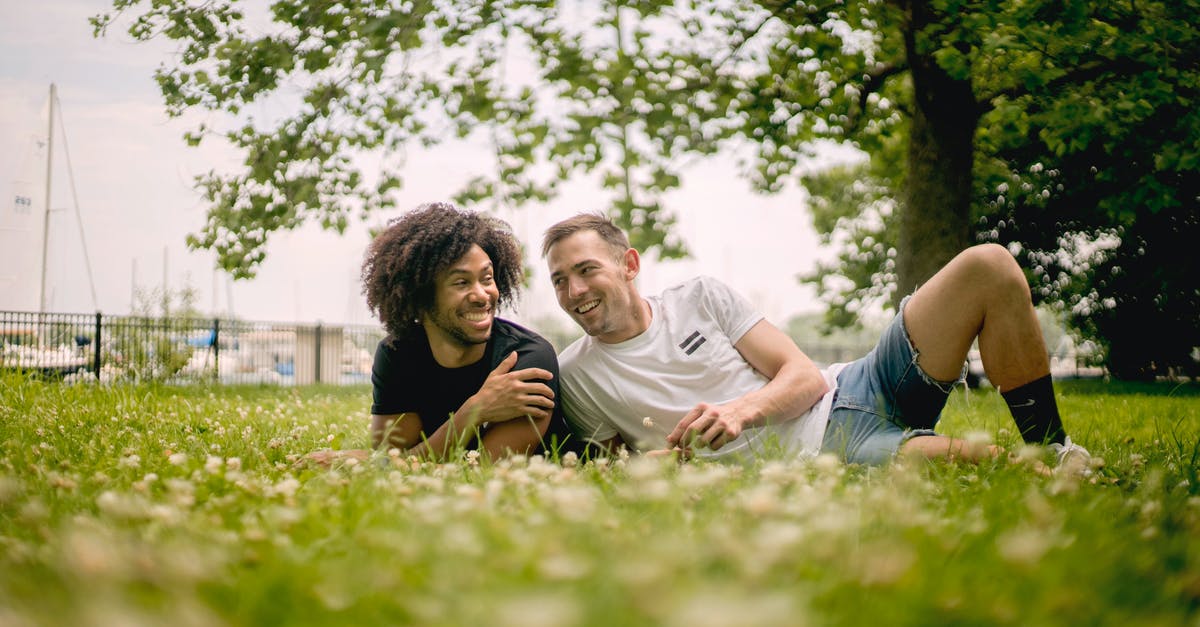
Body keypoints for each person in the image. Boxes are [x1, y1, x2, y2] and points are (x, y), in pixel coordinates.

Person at [542, 212, 1091, 470]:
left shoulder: (700, 297)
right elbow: (611, 467)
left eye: (587, 270)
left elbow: (802, 377)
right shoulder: (580, 375)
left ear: (629, 264)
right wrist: (655, 467)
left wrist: (741, 411)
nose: (575, 290)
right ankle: (1044, 468)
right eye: (560, 281)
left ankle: (1055, 444)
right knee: (997, 467)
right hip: (826, 450)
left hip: (859, 383)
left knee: (987, 266)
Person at [313, 202, 575, 465]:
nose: (482, 295)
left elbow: (483, 467)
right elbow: (391, 457)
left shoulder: (528, 359)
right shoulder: (397, 354)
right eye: (461, 282)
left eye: (487, 278)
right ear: (421, 298)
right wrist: (476, 409)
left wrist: (472, 412)